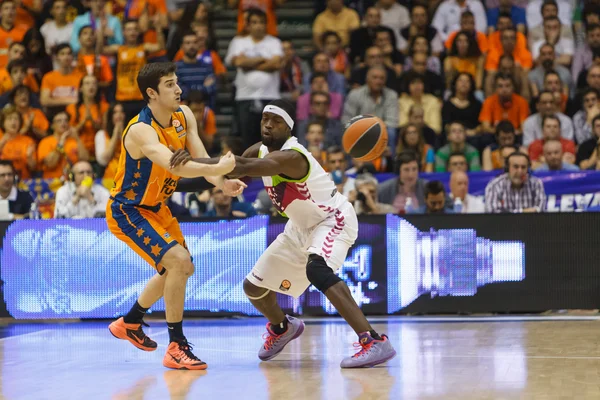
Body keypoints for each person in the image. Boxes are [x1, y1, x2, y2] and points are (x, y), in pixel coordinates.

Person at [170, 99, 396, 368]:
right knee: (253, 287)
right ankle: (281, 328)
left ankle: (373, 340)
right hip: (300, 227)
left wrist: (190, 159)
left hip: (332, 219)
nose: (267, 123)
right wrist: (172, 182)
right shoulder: (261, 149)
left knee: (318, 270)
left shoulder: (292, 157)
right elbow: (224, 170)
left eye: (275, 120)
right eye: (264, 118)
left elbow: (239, 165)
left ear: (288, 127)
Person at [106, 62, 246, 371]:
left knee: (180, 268)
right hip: (129, 210)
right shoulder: (140, 130)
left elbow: (198, 157)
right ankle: (176, 346)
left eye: (177, 82)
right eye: (169, 84)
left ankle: (129, 322)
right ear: (152, 93)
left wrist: (222, 182)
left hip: (158, 208)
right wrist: (218, 168)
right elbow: (176, 166)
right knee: (178, 261)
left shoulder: (185, 116)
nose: (178, 89)